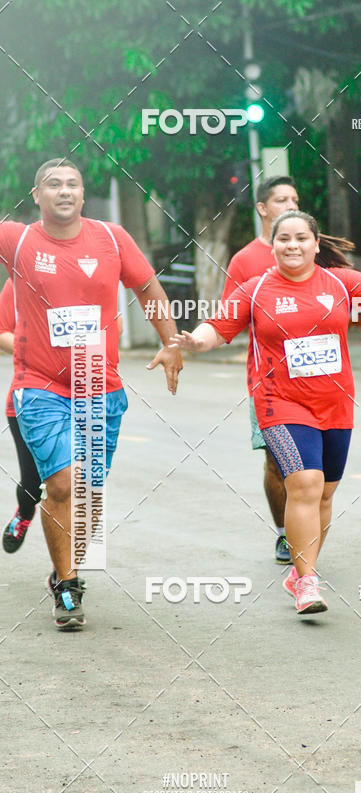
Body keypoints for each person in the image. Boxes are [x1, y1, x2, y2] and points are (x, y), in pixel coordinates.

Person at [171, 210, 361, 615]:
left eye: (300, 238)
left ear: (316, 244)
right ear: (272, 245)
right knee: (306, 483)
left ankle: (300, 571)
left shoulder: (339, 282)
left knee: (325, 495)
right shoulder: (255, 289)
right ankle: (308, 582)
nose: (292, 245)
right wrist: (195, 342)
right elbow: (217, 328)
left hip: (334, 403)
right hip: (280, 402)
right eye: (283, 239)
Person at [0, 157, 183, 628]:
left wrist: (170, 342)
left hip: (100, 387)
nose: (64, 191)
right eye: (53, 184)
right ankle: (67, 584)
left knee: (88, 494)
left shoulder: (110, 237)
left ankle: (66, 567)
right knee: (61, 484)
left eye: (73, 184)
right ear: (36, 195)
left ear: (83, 194)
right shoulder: (17, 239)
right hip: (39, 386)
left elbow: (148, 288)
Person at [223, 176, 299, 564]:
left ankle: (310, 529)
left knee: (313, 464)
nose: (289, 204)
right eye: (281, 199)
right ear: (263, 209)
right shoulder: (246, 260)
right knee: (276, 460)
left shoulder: (311, 249)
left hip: (317, 379)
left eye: (294, 199)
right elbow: (228, 320)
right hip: (268, 380)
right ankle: (286, 534)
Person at [0, 279, 42, 552]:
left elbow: (115, 325)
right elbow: (2, 331)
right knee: (33, 481)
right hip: (28, 400)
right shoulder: (19, 280)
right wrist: (41, 355)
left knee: (78, 488)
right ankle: (25, 512)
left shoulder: (90, 273)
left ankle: (64, 572)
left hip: (83, 398)